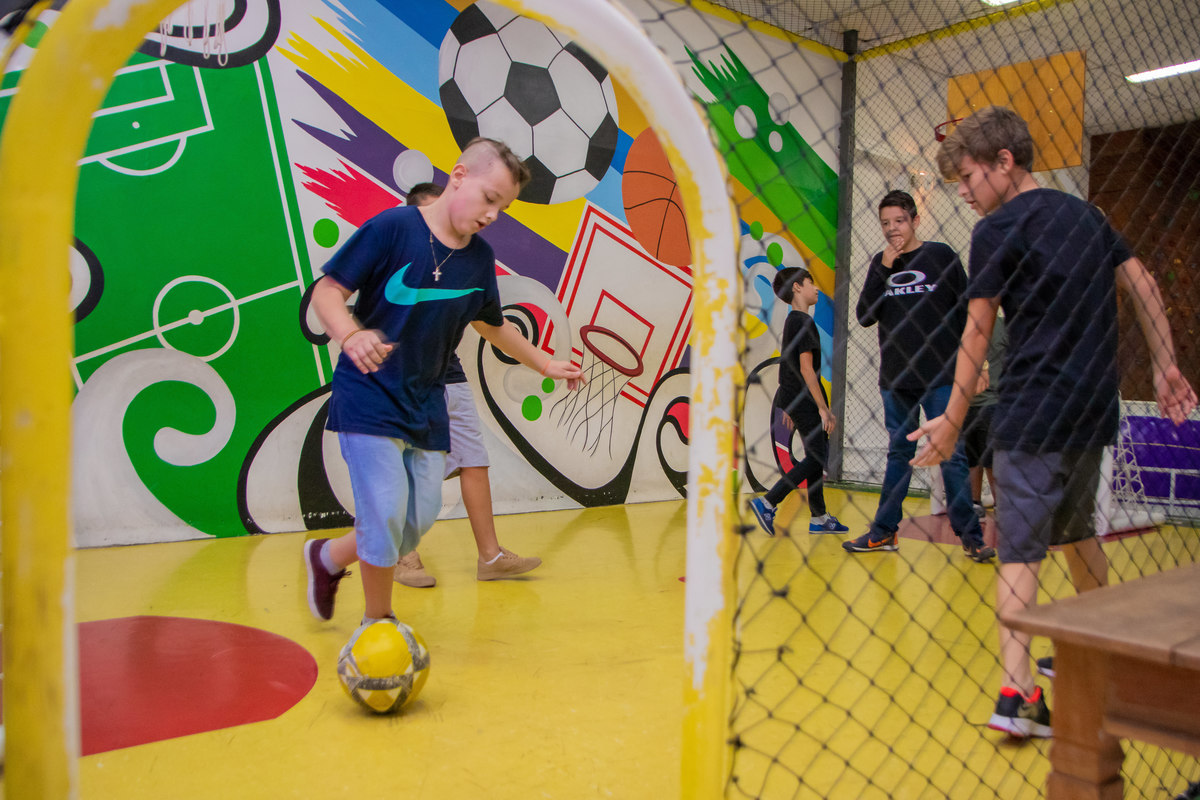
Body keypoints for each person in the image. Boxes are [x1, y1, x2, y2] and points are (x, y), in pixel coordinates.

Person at [910, 105, 1197, 738]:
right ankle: (1090, 654)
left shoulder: (998, 229)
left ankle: (1018, 697)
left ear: (1004, 163)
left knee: (1018, 550)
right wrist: (1165, 366)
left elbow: (978, 328)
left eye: (967, 177)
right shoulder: (1088, 216)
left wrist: (953, 420)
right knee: (1078, 534)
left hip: (1032, 413)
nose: (962, 192)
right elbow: (1144, 283)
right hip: (1093, 409)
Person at [303, 138, 584, 624]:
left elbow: (492, 325)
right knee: (387, 511)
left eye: (504, 206)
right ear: (458, 176)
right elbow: (328, 291)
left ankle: (327, 559)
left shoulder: (479, 259)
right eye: (489, 198)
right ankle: (378, 622)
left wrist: (544, 364)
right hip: (369, 391)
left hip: (427, 402)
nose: (494, 214)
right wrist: (349, 335)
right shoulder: (393, 228)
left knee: (415, 523)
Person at [391, 181, 542, 588]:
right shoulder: (395, 251)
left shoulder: (467, 261)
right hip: (402, 380)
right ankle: (405, 556)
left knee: (474, 461)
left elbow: (491, 323)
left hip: (449, 375)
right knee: (406, 470)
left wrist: (545, 363)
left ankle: (490, 557)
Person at [845, 190, 994, 562]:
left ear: (914, 220)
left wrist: (981, 365)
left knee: (953, 455)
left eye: (898, 221)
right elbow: (865, 316)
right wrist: (884, 266)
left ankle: (971, 536)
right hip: (895, 379)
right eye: (885, 223)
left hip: (941, 375)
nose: (892, 229)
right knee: (899, 453)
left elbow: (967, 313)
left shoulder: (941, 256)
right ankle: (884, 532)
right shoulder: (881, 265)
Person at [748, 267, 848, 536]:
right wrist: (823, 409)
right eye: (810, 283)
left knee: (815, 454)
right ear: (797, 288)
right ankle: (769, 501)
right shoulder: (802, 321)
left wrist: (789, 403)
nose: (816, 288)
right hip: (802, 396)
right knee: (817, 456)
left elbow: (788, 364)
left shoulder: (794, 321)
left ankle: (819, 517)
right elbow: (806, 369)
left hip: (796, 396)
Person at [962, 314, 1006, 519]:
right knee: (987, 457)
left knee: (977, 457)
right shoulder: (1002, 326)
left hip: (972, 401)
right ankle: (995, 504)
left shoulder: (965, 325)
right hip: (989, 401)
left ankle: (975, 502)